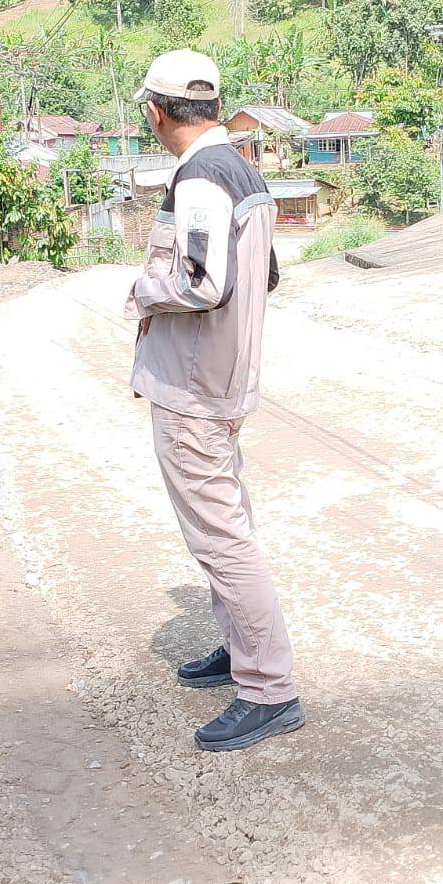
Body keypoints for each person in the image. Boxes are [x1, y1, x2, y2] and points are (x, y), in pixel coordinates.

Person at [126, 49, 305, 753]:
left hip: (194, 388)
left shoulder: (199, 176)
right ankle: (239, 653)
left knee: (221, 538)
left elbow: (202, 284)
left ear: (155, 111)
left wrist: (143, 290)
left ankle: (268, 688)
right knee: (226, 525)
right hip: (223, 379)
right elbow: (264, 275)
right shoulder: (242, 169)